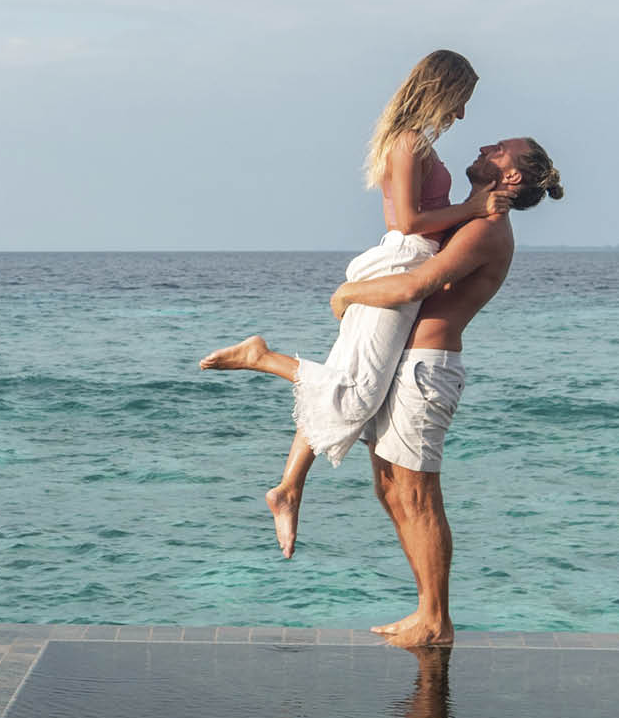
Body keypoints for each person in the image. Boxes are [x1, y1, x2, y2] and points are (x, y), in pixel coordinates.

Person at [204, 135, 564, 646]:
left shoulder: (487, 228)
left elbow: (414, 287)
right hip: (407, 363)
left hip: (426, 369)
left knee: (418, 495)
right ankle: (425, 612)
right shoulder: (470, 216)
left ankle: (436, 620)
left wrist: (348, 294)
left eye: (500, 148)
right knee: (392, 490)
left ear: (512, 177)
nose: (486, 144)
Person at [199, 50, 512, 556]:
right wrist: (473, 208)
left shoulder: (417, 142)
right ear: (440, 90)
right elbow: (408, 222)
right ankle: (261, 359)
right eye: (460, 102)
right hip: (401, 264)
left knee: (351, 381)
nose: (461, 116)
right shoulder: (408, 143)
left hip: (412, 262)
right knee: (358, 389)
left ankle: (288, 489)